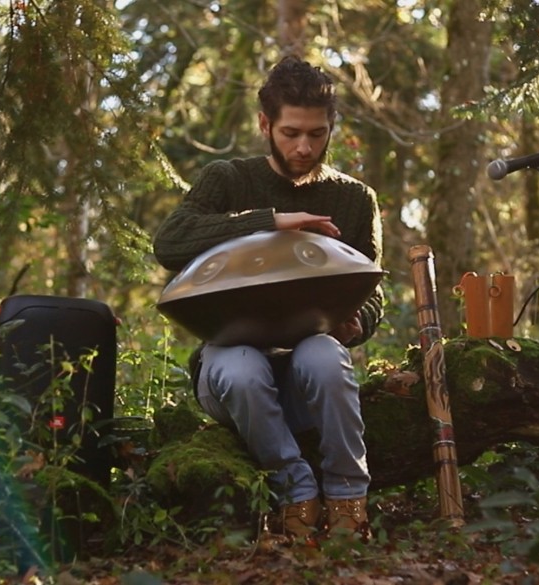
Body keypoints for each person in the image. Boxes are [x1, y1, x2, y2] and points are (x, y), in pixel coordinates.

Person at [153, 56, 384, 541]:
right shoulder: (228, 179)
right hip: (230, 378)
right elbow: (169, 243)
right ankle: (295, 492)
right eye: (290, 133)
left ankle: (347, 497)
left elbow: (371, 291)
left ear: (331, 128)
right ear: (265, 124)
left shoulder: (355, 198)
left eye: (317, 135)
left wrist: (356, 321)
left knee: (323, 356)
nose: (304, 147)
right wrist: (270, 221)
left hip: (307, 378)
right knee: (241, 366)